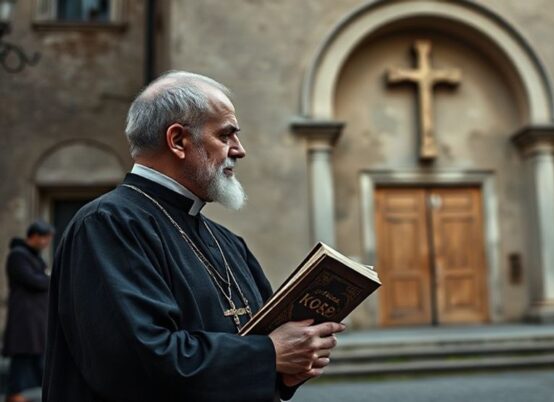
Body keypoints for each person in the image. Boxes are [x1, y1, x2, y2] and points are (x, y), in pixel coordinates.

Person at [43, 71, 345, 401]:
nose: (239, 150)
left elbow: (264, 343)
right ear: (178, 141)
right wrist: (269, 354)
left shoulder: (228, 242)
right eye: (226, 135)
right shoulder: (107, 225)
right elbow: (135, 363)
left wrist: (290, 368)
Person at [3, 220, 54, 402]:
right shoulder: (18, 255)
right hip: (25, 319)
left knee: (38, 358)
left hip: (36, 319)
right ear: (34, 236)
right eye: (45, 238)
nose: (47, 242)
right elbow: (35, 281)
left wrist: (46, 277)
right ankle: (14, 396)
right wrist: (49, 278)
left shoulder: (35, 257)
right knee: (23, 357)